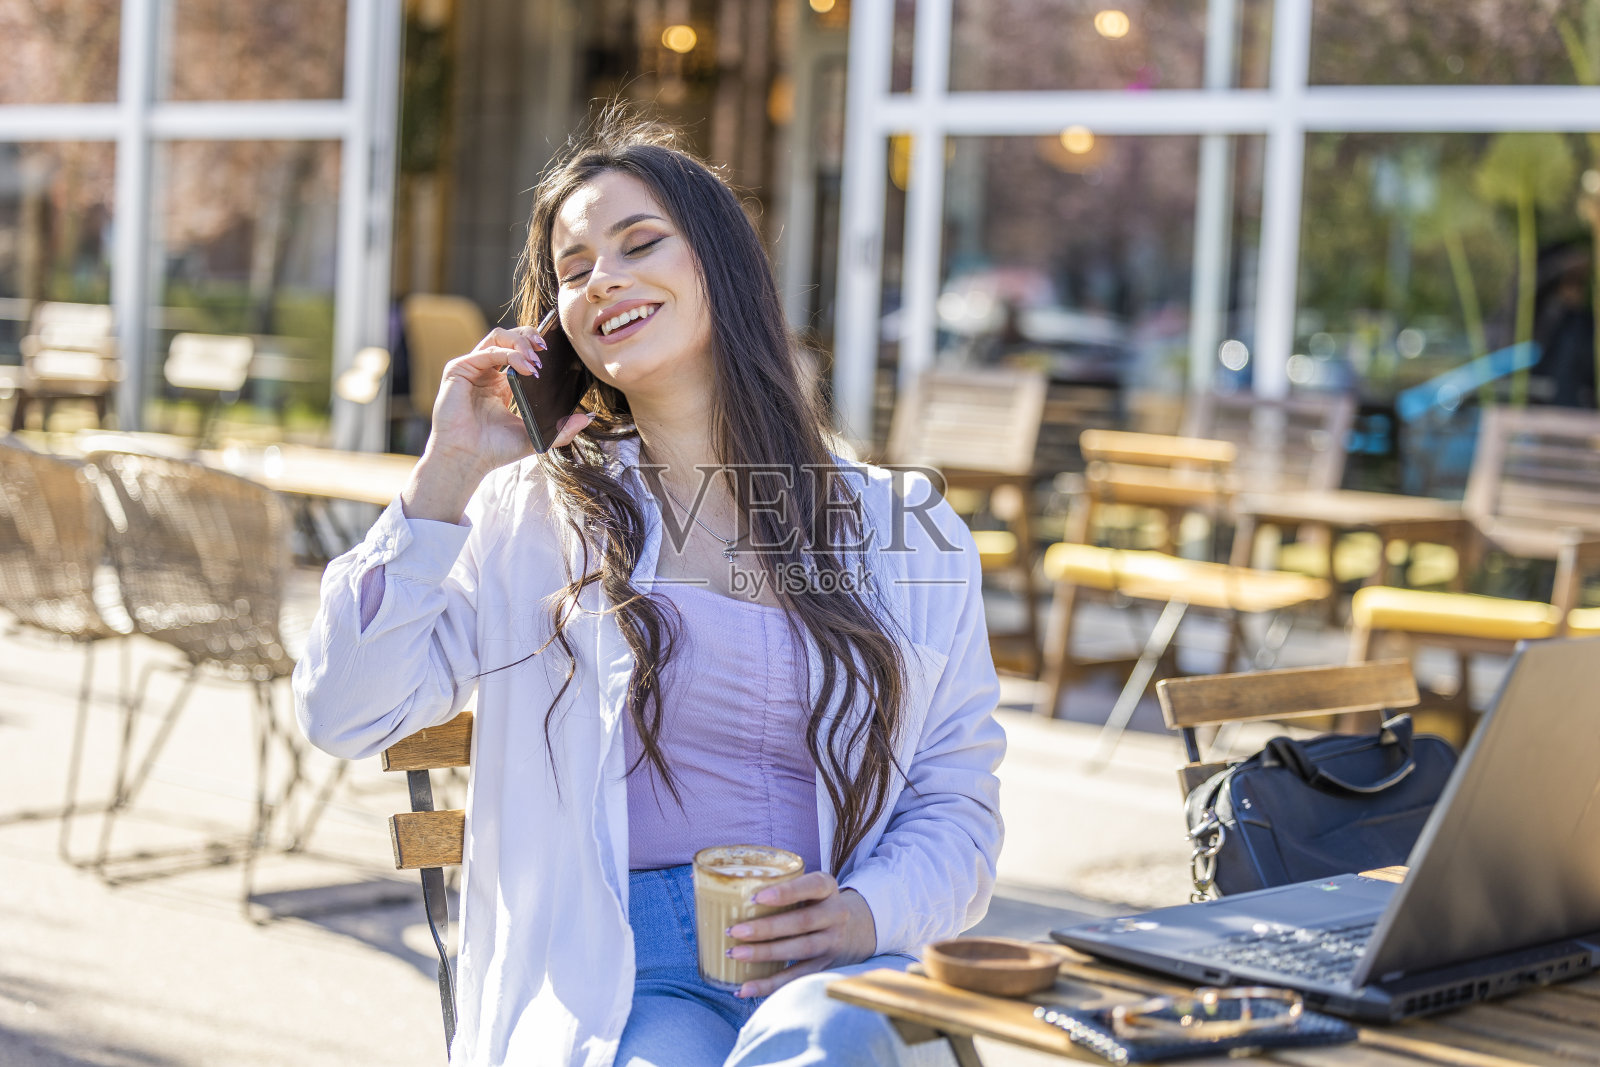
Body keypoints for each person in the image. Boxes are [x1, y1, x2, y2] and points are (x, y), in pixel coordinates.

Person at [294, 109, 1005, 1067]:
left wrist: (863, 913)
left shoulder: (898, 524)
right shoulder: (526, 520)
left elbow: (956, 799)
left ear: (720, 264)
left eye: (638, 244)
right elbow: (344, 709)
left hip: (832, 960)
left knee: (828, 1042)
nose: (604, 279)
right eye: (574, 269)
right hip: (621, 971)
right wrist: (446, 472)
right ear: (558, 328)